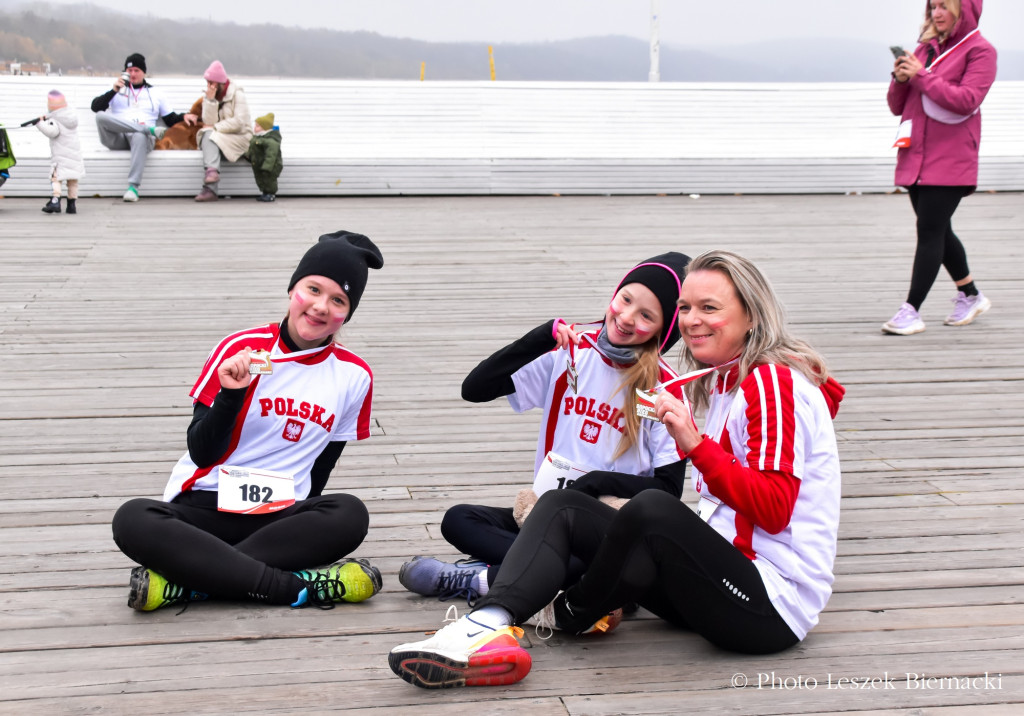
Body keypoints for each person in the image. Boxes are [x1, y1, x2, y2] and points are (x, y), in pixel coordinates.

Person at [388, 250, 846, 690]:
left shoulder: (772, 384)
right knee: (563, 505)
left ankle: (558, 611)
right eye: (686, 307)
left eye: (710, 307)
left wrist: (693, 442)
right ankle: (482, 625)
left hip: (768, 608)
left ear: (753, 317)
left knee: (651, 508)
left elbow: (773, 509)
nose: (692, 319)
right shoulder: (727, 381)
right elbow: (477, 386)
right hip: (719, 587)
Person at [111, 231, 385, 612]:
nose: (322, 307)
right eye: (314, 289)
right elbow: (202, 452)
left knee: (350, 513)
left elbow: (321, 468)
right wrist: (231, 394)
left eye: (338, 300)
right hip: (206, 506)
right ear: (293, 290)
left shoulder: (355, 375)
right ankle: (291, 588)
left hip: (278, 518)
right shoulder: (240, 348)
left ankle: (192, 582)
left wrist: (308, 525)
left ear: (347, 312)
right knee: (132, 518)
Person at [398, 253, 692, 608]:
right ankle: (563, 579)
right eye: (625, 299)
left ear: (664, 329)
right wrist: (541, 336)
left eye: (646, 315)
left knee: (588, 561)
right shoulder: (571, 354)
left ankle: (480, 579)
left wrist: (596, 483)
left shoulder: (662, 391)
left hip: (606, 531)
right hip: (542, 516)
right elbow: (474, 389)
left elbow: (668, 490)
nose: (627, 317)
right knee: (458, 519)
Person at [883, 0, 996, 335]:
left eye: (945, 6)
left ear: (965, 10)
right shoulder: (924, 48)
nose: (937, 13)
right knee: (938, 228)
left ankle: (911, 310)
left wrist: (921, 75)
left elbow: (966, 100)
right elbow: (896, 106)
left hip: (951, 156)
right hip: (916, 152)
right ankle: (971, 295)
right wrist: (901, 78)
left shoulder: (981, 51)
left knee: (930, 230)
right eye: (933, 6)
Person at [91, 53, 185, 202]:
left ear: (144, 72)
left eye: (136, 70)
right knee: (100, 116)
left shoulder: (156, 93)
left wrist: (186, 117)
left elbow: (170, 119)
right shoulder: (117, 90)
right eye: (129, 71)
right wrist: (113, 91)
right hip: (118, 138)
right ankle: (147, 129)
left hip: (143, 140)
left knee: (139, 135)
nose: (133, 74)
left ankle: (133, 188)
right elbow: (95, 107)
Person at [187, 60, 253, 202]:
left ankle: (209, 188)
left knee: (210, 135)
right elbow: (208, 122)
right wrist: (210, 101)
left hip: (240, 138)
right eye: (208, 83)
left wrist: (216, 127)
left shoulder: (237, 94)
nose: (209, 86)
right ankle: (211, 177)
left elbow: (239, 123)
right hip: (221, 137)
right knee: (207, 134)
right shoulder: (210, 95)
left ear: (219, 83)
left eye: (212, 83)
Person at [36, 90, 84, 215]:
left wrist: (39, 123)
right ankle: (71, 205)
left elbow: (52, 132)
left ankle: (55, 201)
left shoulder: (55, 119)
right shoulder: (70, 118)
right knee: (72, 182)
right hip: (75, 157)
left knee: (56, 179)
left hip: (61, 158)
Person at [248, 112, 283, 202]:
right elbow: (252, 150)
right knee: (262, 180)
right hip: (261, 164)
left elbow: (271, 155)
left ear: (265, 128)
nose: (255, 128)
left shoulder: (271, 141)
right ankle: (265, 193)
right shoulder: (258, 138)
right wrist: (247, 155)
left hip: (270, 166)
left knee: (269, 180)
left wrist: (267, 167)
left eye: (258, 126)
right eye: (255, 125)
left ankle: (271, 194)